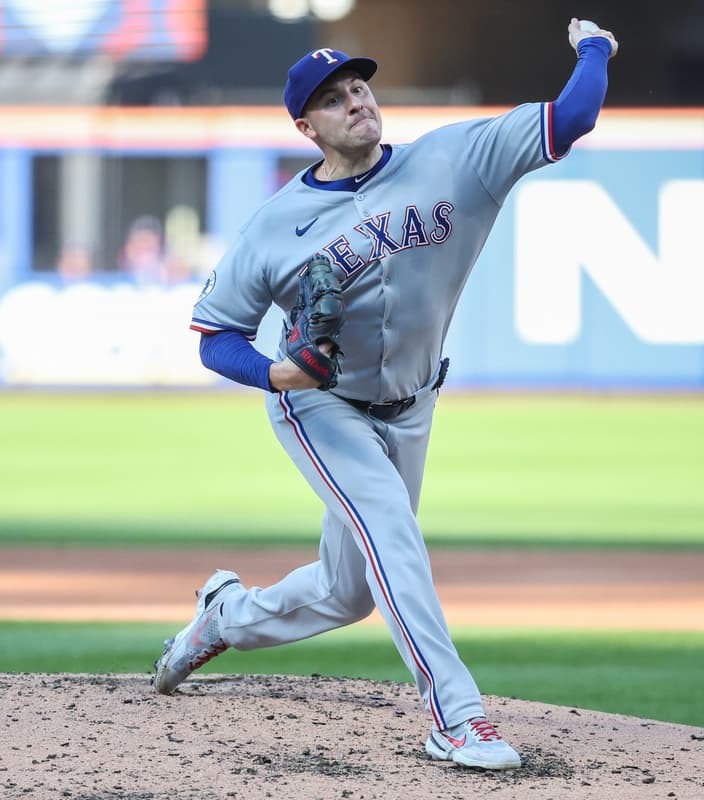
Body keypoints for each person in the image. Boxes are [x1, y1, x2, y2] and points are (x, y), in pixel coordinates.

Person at [155, 18, 618, 771]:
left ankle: (223, 617)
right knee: (392, 536)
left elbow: (574, 117)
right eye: (333, 100)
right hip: (321, 404)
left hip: (411, 405)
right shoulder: (275, 226)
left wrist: (595, 48)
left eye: (360, 87)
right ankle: (456, 718)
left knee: (347, 594)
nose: (355, 102)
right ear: (307, 127)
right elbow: (217, 336)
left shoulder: (456, 159)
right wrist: (278, 375)